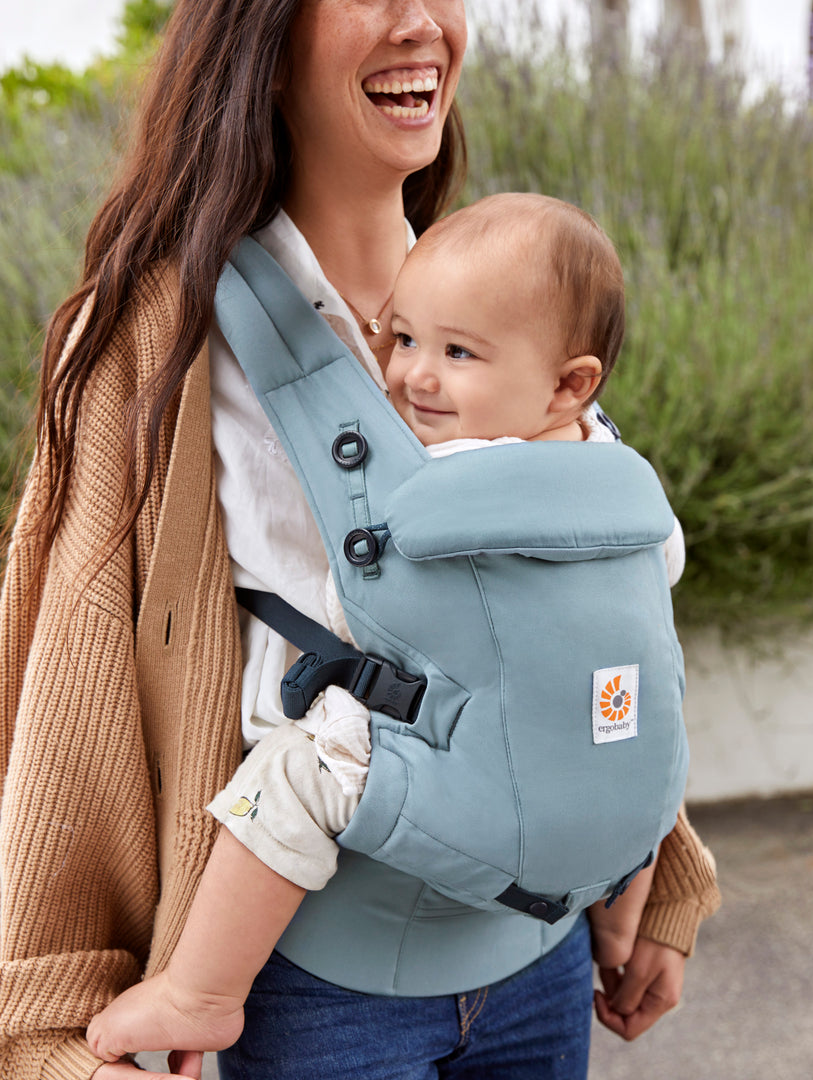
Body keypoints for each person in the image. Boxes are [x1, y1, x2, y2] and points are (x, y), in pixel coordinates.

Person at [0, 3, 720, 1079]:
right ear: (263, 36)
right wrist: (55, 1025)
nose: (422, 22)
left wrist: (658, 871)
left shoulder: (498, 290)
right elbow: (78, 678)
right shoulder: (159, 334)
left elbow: (577, 619)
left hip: (539, 960)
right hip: (314, 991)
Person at [85, 191, 684, 1063]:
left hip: (476, 840)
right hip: (589, 845)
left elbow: (346, 607)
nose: (412, 377)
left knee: (302, 770)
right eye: (403, 340)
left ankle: (199, 992)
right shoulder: (622, 480)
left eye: (456, 353)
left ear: (569, 382)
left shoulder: (445, 483)